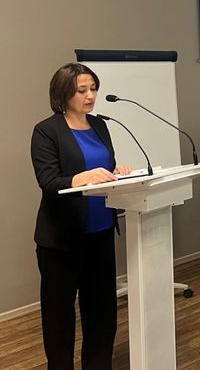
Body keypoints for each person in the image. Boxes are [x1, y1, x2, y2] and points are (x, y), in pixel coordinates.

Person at [31, 63, 130, 370]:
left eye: (93, 89)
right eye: (82, 90)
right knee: (59, 317)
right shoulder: (46, 130)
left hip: (100, 234)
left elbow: (104, 169)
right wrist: (79, 178)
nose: (90, 96)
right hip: (61, 241)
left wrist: (116, 172)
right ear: (63, 93)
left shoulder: (100, 125)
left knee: (101, 314)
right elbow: (49, 182)